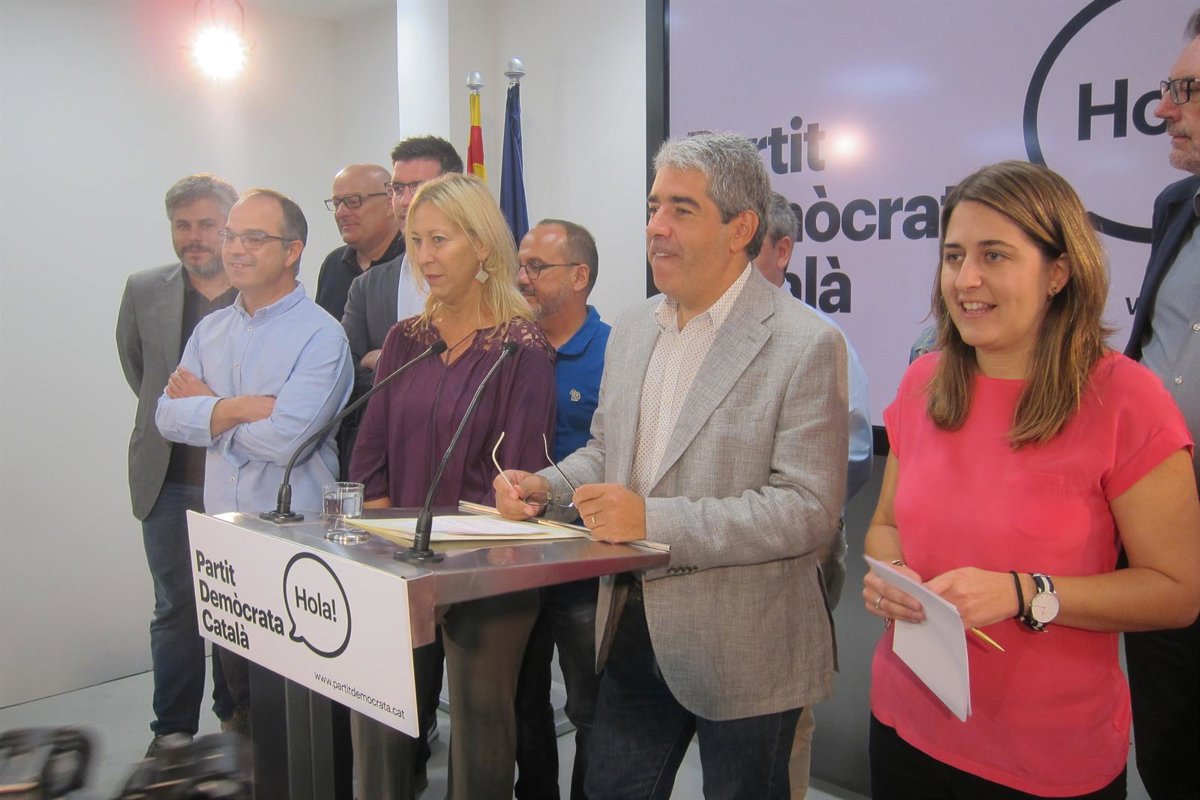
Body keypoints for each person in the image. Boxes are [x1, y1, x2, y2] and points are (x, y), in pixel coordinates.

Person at [496, 131, 849, 800]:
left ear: (740, 228)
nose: (655, 227)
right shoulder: (633, 328)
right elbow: (607, 452)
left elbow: (806, 510)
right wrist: (547, 486)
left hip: (747, 643)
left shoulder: (805, 343)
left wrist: (651, 521)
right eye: (653, 207)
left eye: (681, 210)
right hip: (632, 627)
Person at [863, 160, 1200, 800]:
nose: (966, 279)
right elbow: (884, 526)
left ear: (1057, 273)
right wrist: (892, 579)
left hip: (1046, 760)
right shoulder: (924, 382)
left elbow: (1177, 592)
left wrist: (1025, 592)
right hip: (906, 723)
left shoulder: (1127, 400)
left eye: (994, 255)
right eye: (954, 256)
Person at [348, 173, 557, 800]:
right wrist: (394, 555)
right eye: (416, 240)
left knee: (480, 733)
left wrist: (450, 571)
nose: (424, 256)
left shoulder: (521, 347)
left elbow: (519, 475)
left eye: (440, 239)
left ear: (483, 246)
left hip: (486, 570)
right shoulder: (405, 339)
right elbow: (370, 458)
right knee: (378, 716)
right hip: (399, 561)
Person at [155, 188, 354, 732]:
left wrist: (207, 413)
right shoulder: (211, 330)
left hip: (296, 542)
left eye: (254, 238)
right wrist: (239, 408)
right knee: (242, 697)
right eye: (231, 235)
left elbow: (288, 442)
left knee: (301, 709)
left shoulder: (321, 335)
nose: (235, 248)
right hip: (225, 537)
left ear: (292, 251)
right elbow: (166, 418)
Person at [754, 191, 872, 799]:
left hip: (799, 556)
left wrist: (798, 518)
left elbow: (854, 455)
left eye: (748, 248)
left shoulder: (821, 340)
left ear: (782, 252)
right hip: (704, 563)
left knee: (784, 715)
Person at [116, 174, 239, 753]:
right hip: (166, 480)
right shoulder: (144, 290)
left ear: (230, 227)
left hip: (239, 480)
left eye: (207, 224)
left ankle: (237, 718)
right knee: (175, 609)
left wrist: (208, 406)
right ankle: (172, 732)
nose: (194, 236)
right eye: (182, 225)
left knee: (239, 607)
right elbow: (140, 371)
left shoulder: (256, 290)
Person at [1123, 10, 1200, 797]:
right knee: (1170, 752)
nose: (1164, 109)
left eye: (1187, 90)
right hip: (1158, 540)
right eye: (1168, 88)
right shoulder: (1176, 206)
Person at [513, 219, 611, 800]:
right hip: (515, 557)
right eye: (520, 265)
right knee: (523, 700)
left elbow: (615, 455)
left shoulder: (615, 352)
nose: (522, 278)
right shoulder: (508, 348)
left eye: (536, 267)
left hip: (584, 564)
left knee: (590, 706)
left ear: (579, 277)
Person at [315, 163, 404, 320]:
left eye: (353, 201)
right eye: (336, 203)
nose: (341, 213)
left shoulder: (411, 262)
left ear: (390, 202)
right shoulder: (333, 264)